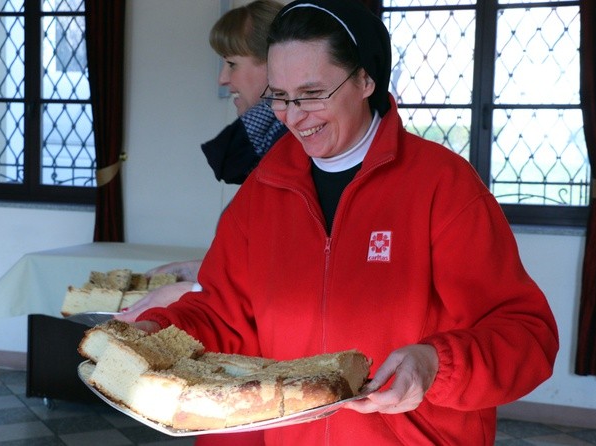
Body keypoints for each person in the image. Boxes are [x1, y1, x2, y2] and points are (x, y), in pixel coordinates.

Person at [133, 1, 559, 444]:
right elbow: (221, 314)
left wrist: (434, 364)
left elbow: (527, 335)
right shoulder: (263, 192)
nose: (293, 116)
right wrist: (156, 332)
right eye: (279, 96)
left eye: (312, 93)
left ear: (364, 80)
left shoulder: (441, 186)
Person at [117, 0, 286, 323]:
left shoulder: (292, 153)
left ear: (274, 64)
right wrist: (198, 271)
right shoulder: (271, 145)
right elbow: (258, 262)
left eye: (232, 63)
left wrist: (191, 291)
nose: (223, 79)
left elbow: (287, 277)